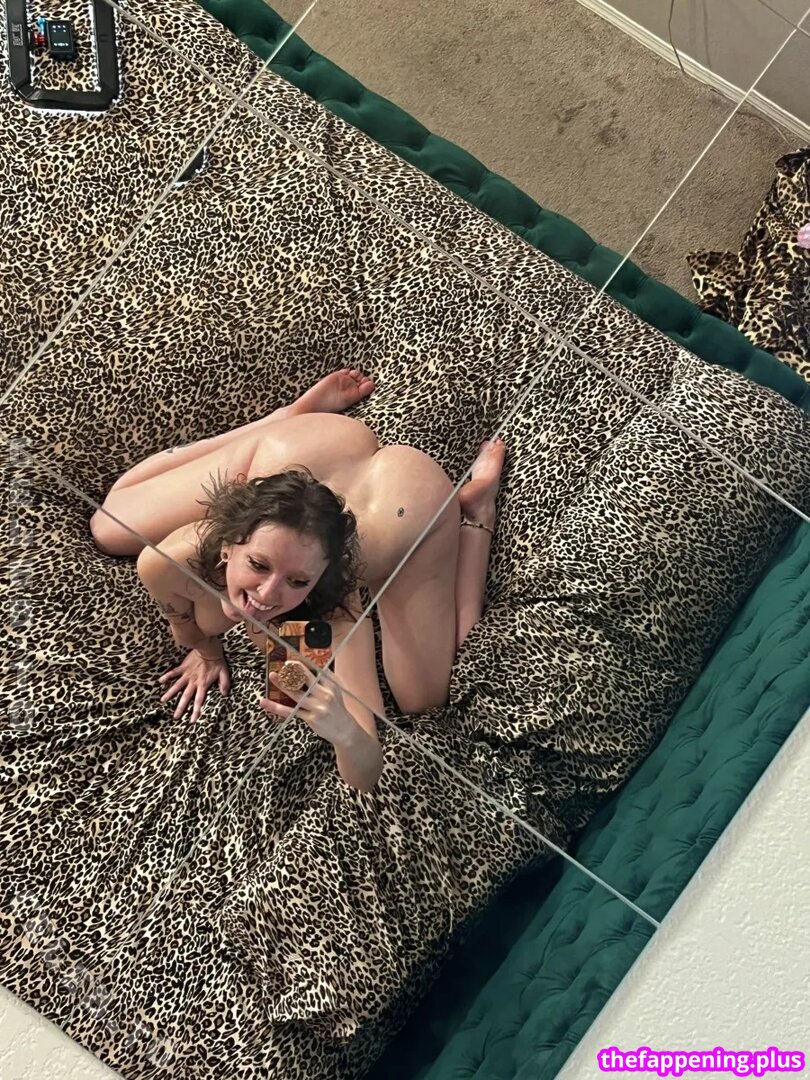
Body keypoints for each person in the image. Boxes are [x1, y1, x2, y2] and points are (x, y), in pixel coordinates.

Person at [89, 369, 506, 790]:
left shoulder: (334, 614)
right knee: (106, 527)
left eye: (298, 582)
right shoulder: (166, 561)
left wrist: (344, 729)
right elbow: (191, 629)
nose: (266, 594)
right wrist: (207, 652)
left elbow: (366, 771)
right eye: (258, 564)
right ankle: (285, 417)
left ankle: (474, 515)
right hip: (312, 443)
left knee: (423, 699)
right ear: (228, 545)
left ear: (321, 581)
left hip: (410, 500)